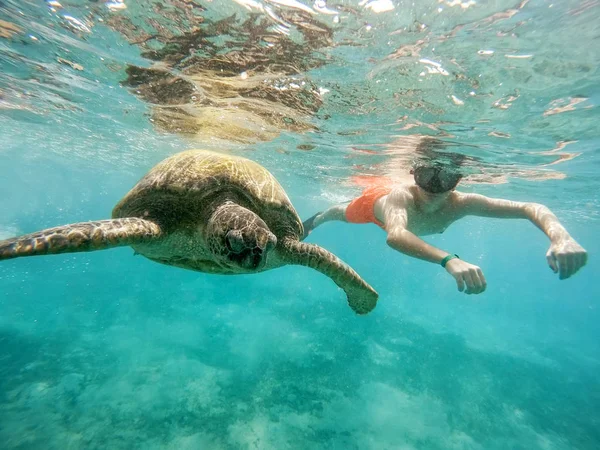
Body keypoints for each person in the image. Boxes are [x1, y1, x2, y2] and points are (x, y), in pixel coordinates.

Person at [302, 161, 588, 294]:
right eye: (427, 176)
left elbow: (530, 207)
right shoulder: (401, 196)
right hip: (374, 207)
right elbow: (397, 235)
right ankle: (315, 220)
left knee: (341, 212)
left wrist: (560, 237)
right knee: (339, 213)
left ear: (459, 179)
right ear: (414, 174)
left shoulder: (463, 203)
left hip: (394, 207)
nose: (435, 187)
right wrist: (449, 260)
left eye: (447, 177)